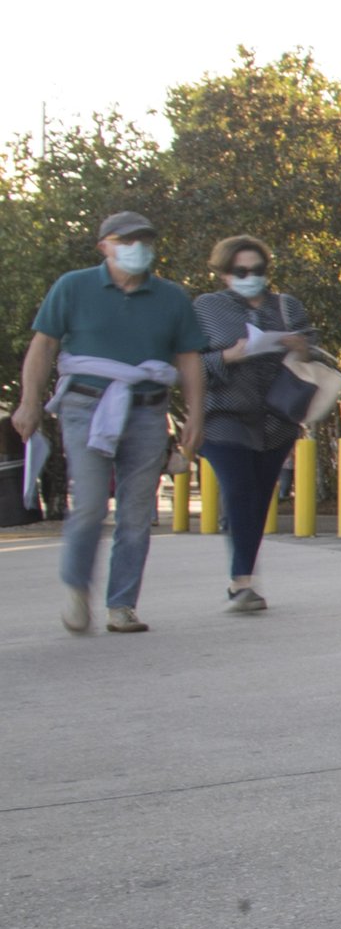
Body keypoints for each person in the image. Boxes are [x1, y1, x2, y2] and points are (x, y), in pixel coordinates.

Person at [10, 211, 208, 634]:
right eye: (127, 239)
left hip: (147, 409)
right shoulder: (73, 286)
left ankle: (122, 604)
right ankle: (76, 589)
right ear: (104, 246)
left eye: (145, 240)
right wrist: (28, 402)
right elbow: (43, 345)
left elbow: (189, 359)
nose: (137, 247)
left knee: (137, 513)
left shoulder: (171, 297)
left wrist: (195, 414)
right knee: (91, 504)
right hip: (86, 406)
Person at [190, 235, 320, 616]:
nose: (251, 277)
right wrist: (230, 355)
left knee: (261, 498)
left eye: (258, 270)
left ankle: (244, 576)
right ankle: (241, 582)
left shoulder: (286, 305)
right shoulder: (207, 307)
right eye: (241, 271)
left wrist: (298, 346)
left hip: (278, 417)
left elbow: (311, 347)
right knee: (239, 491)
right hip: (224, 417)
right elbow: (191, 363)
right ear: (224, 272)